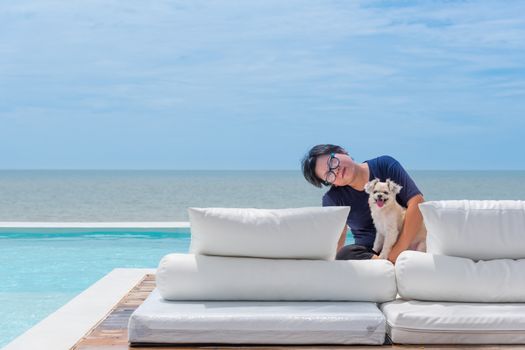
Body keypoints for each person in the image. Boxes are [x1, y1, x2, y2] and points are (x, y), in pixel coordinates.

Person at [301, 144, 425, 263]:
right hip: (371, 254)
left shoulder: (384, 165)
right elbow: (338, 237)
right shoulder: (333, 199)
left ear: (342, 151)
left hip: (408, 238)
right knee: (345, 253)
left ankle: (388, 262)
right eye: (329, 175)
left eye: (332, 162)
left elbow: (417, 202)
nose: (336, 171)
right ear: (332, 183)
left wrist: (396, 251)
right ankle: (382, 263)